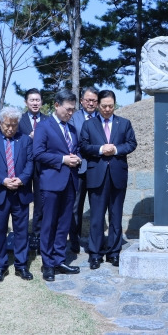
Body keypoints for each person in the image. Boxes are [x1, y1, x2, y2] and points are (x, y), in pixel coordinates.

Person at [79, 90, 137, 270]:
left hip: (117, 175)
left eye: (110, 106)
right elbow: (83, 145)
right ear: (97, 105)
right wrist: (101, 149)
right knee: (96, 217)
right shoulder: (89, 125)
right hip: (97, 175)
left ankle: (114, 252)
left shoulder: (124, 123)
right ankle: (95, 254)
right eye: (103, 106)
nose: (107, 109)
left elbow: (131, 143)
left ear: (115, 105)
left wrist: (117, 150)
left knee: (116, 215)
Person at [33, 90, 82, 281]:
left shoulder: (71, 129)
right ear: (56, 105)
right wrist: (62, 159)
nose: (70, 113)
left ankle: (59, 260)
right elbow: (37, 154)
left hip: (70, 182)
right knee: (49, 224)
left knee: (63, 224)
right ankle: (47, 264)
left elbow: (76, 149)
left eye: (72, 110)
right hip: (51, 183)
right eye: (68, 109)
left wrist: (77, 158)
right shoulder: (44, 127)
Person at [0, 107, 34, 283]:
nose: (10, 129)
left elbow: (30, 163)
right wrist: (3, 180)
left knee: (21, 231)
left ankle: (21, 265)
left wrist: (21, 179)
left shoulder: (25, 140)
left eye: (14, 125)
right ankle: (0, 266)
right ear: (0, 123)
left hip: (21, 191)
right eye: (7, 125)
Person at [68, 86, 100, 254]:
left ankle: (96, 241)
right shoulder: (74, 117)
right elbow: (73, 141)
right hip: (79, 168)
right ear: (81, 101)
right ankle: (74, 240)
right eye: (88, 100)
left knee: (97, 206)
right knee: (75, 207)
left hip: (98, 168)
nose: (91, 103)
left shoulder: (102, 117)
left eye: (94, 100)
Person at [18, 88, 49, 252]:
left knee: (40, 203)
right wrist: (28, 137)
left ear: (41, 102)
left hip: (41, 167)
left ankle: (37, 236)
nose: (35, 103)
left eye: (38, 100)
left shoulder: (48, 120)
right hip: (22, 167)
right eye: (32, 100)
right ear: (26, 102)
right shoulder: (18, 120)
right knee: (22, 202)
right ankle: (21, 237)